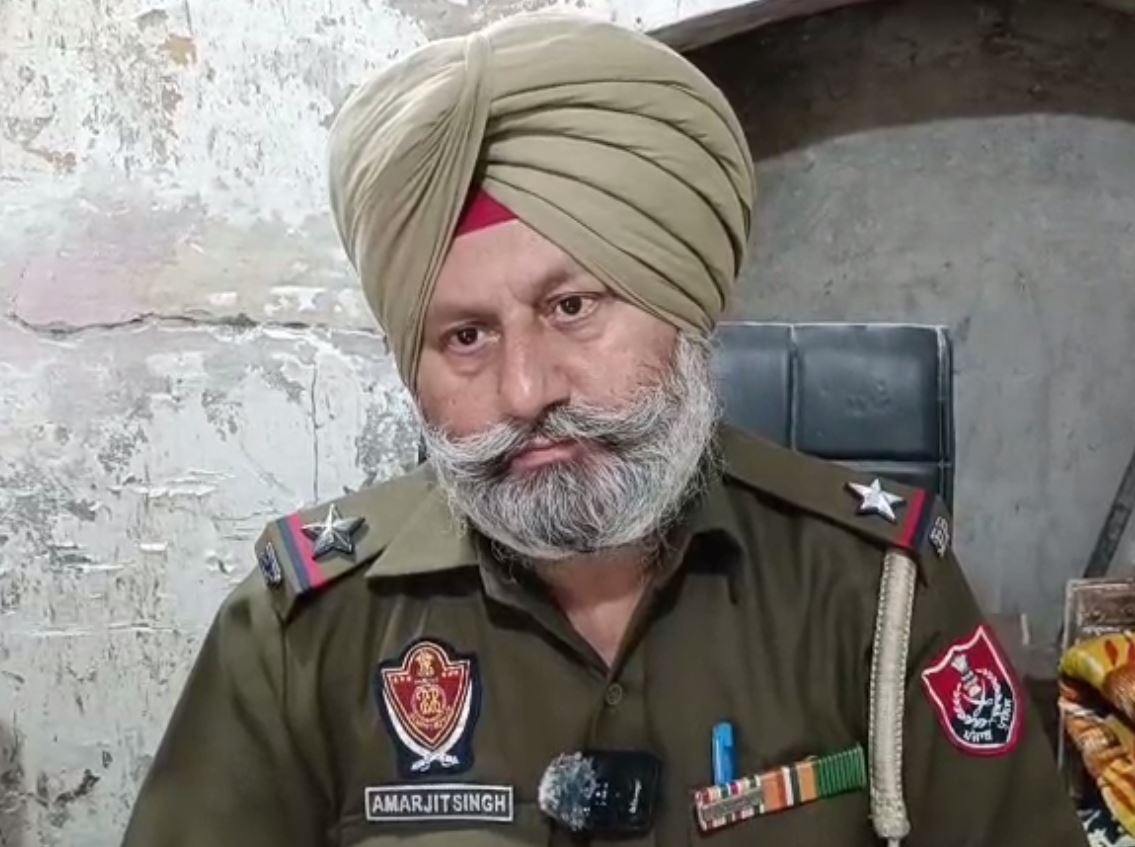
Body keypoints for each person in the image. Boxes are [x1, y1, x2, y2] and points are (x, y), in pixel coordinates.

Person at [122, 13, 1086, 847]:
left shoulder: (876, 590)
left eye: (573, 307)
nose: (525, 388)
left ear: (682, 311)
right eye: (464, 336)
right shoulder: (302, 631)